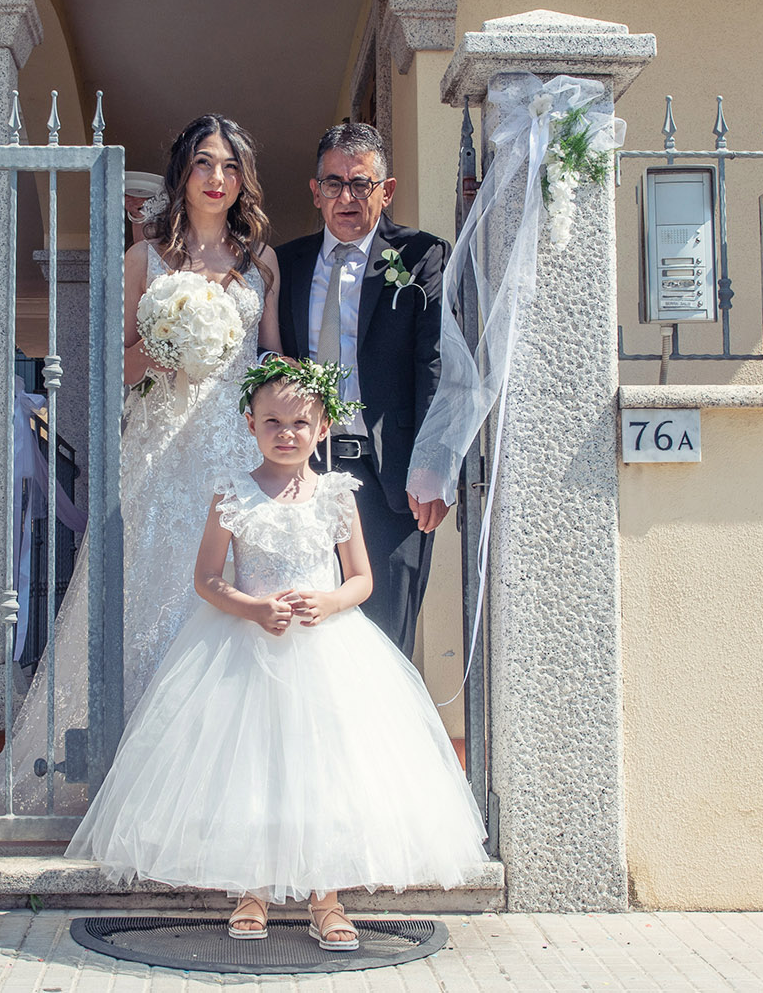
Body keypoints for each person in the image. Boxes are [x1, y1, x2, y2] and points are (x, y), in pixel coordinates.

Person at [67, 360, 487, 949]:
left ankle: (328, 897)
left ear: (322, 428)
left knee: (328, 768)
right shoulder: (231, 494)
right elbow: (208, 579)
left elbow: (361, 578)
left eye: (299, 422)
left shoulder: (338, 496)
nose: (286, 432)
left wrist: (331, 601)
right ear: (249, 423)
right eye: (272, 421)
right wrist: (255, 609)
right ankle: (252, 887)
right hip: (245, 648)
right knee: (252, 767)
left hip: (328, 652)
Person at [0, 115, 281, 816]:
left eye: (230, 167)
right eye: (204, 163)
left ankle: (225, 780)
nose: (216, 178)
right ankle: (134, 779)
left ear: (242, 180)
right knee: (149, 595)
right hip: (162, 447)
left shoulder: (261, 262)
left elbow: (269, 364)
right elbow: (114, 364)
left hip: (232, 449)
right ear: (183, 173)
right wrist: (165, 348)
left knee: (234, 595)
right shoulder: (145, 259)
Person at [275, 123, 450, 657]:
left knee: (381, 644)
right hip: (298, 474)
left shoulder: (422, 257)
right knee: (302, 639)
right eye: (333, 183)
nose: (345, 197)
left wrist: (432, 467)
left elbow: (437, 365)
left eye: (360, 183)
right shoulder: (285, 263)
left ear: (386, 190)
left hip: (389, 479)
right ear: (315, 191)